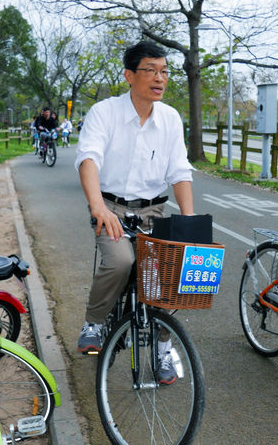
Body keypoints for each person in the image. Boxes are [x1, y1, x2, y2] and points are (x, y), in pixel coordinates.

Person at [74, 40, 194, 384]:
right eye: (150, 70)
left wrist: (188, 221)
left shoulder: (170, 119)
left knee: (166, 276)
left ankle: (162, 346)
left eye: (164, 72)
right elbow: (89, 159)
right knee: (121, 261)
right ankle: (94, 322)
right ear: (129, 75)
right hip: (109, 205)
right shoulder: (105, 112)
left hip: (153, 209)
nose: (159, 78)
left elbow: (180, 172)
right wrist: (98, 208)